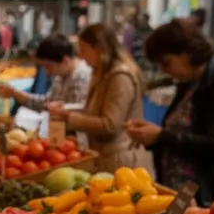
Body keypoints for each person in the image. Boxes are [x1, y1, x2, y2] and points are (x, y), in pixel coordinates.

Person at [127, 18, 214, 204]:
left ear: (186, 53)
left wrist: (161, 136)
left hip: (212, 189)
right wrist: (151, 137)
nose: (164, 70)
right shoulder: (190, 82)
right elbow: (181, 133)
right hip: (184, 187)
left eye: (166, 63)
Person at [46, 23, 151, 174]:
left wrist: (68, 116)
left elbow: (110, 124)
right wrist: (67, 110)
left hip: (122, 162)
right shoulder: (103, 73)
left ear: (99, 49)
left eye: (83, 50)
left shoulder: (120, 77)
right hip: (107, 157)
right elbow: (96, 110)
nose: (80, 56)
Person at [0, 33, 91, 111]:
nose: (47, 73)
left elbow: (81, 112)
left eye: (49, 67)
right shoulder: (60, 76)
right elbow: (47, 103)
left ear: (65, 60)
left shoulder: (82, 77)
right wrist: (15, 94)